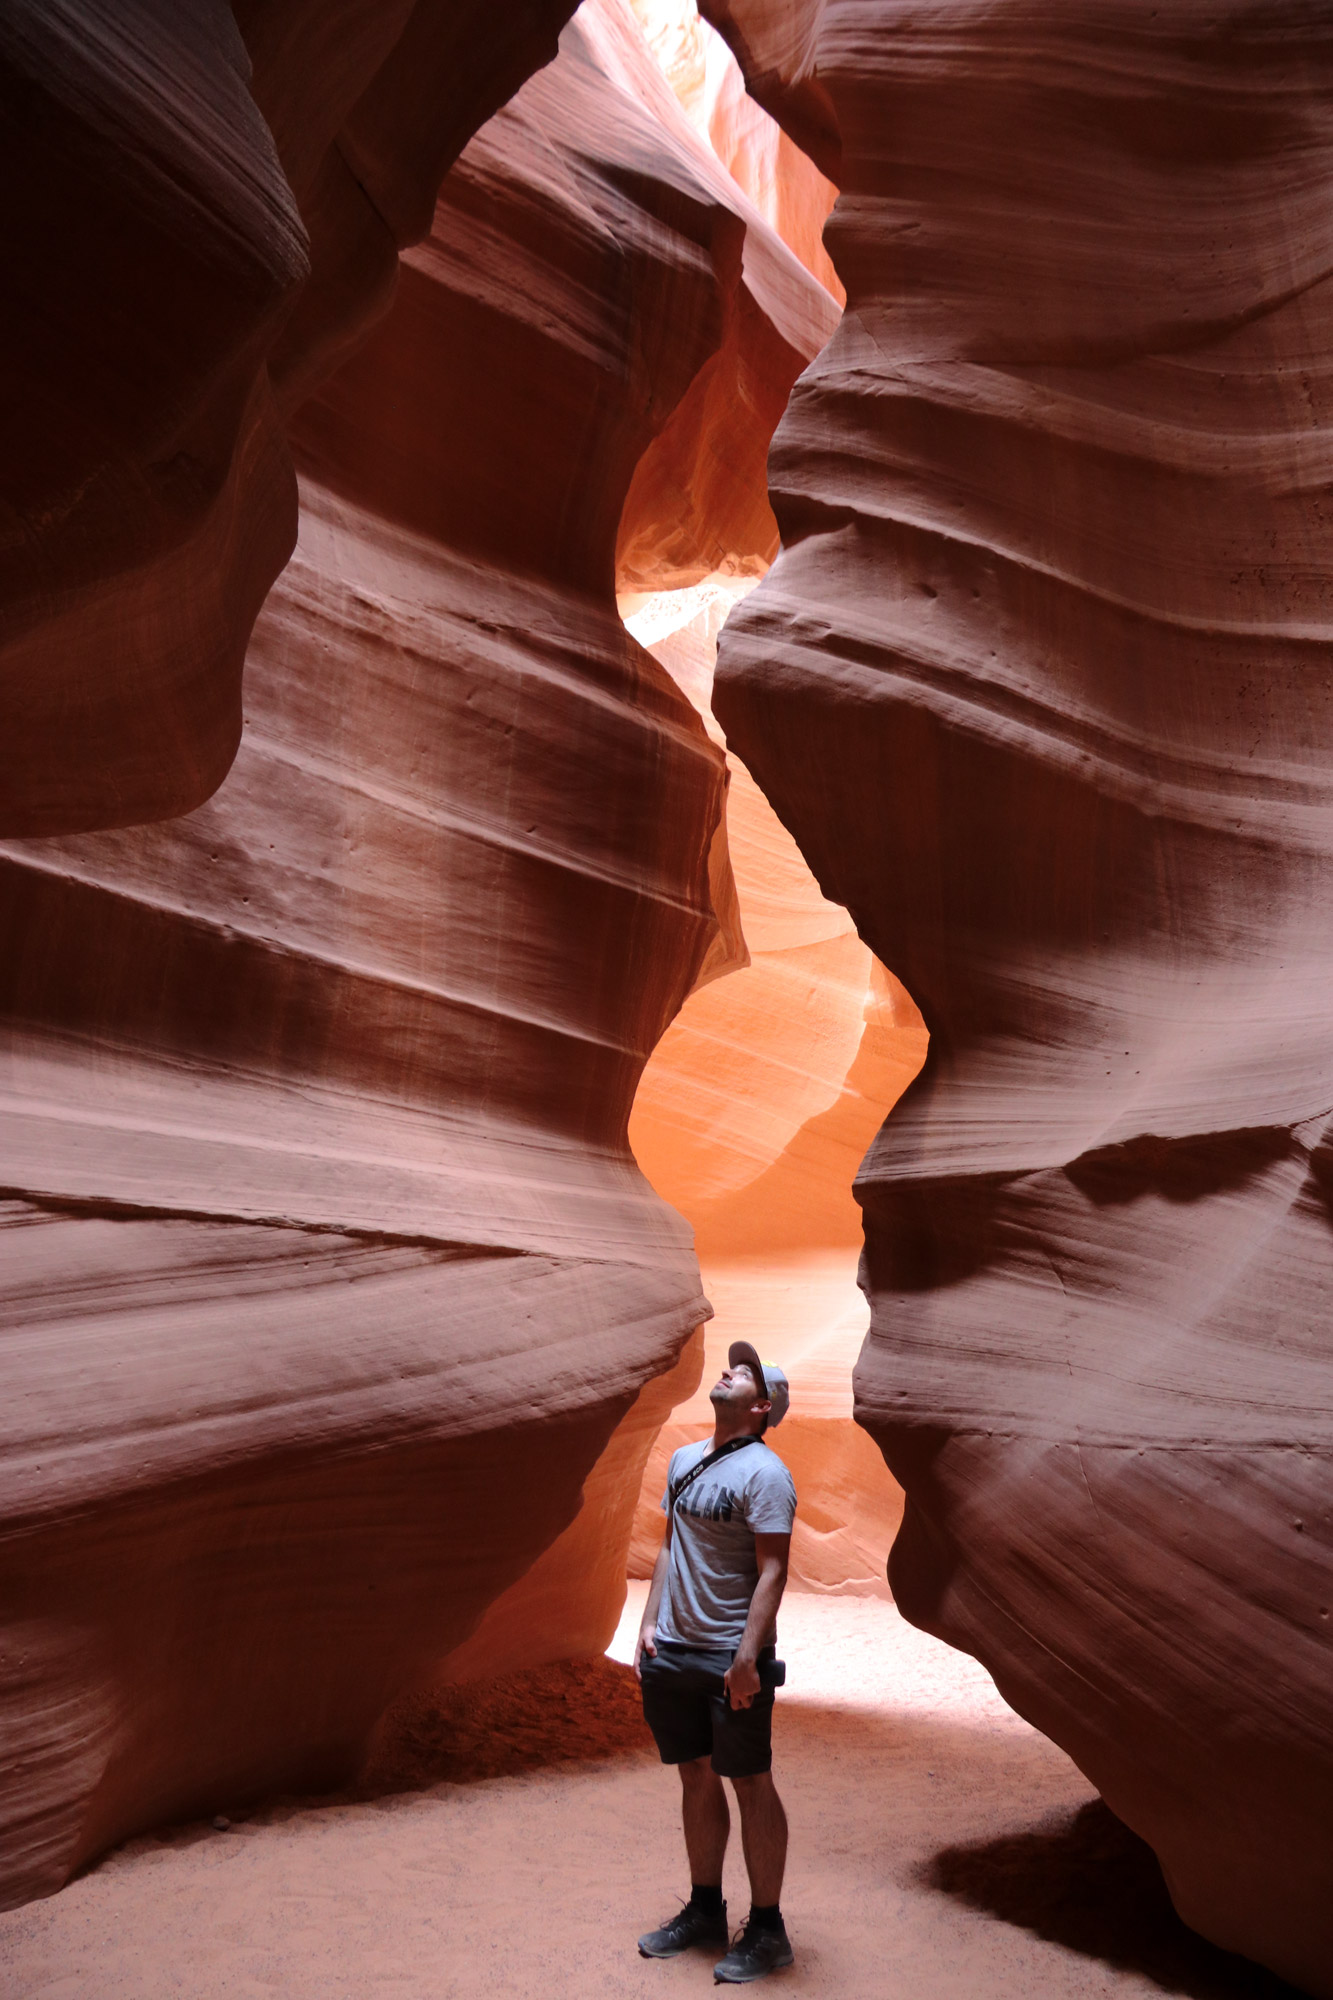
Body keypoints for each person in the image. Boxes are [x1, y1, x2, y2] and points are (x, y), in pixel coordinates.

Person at [634, 1339, 797, 1984]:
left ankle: (769, 1929)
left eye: (746, 1373)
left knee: (749, 1778)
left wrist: (748, 1657)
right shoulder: (682, 1459)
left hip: (732, 1657)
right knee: (695, 1776)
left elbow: (773, 1570)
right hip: (674, 1650)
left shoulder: (766, 1473)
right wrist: (648, 1624)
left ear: (760, 1405)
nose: (730, 1370)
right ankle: (705, 1910)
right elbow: (670, 1547)